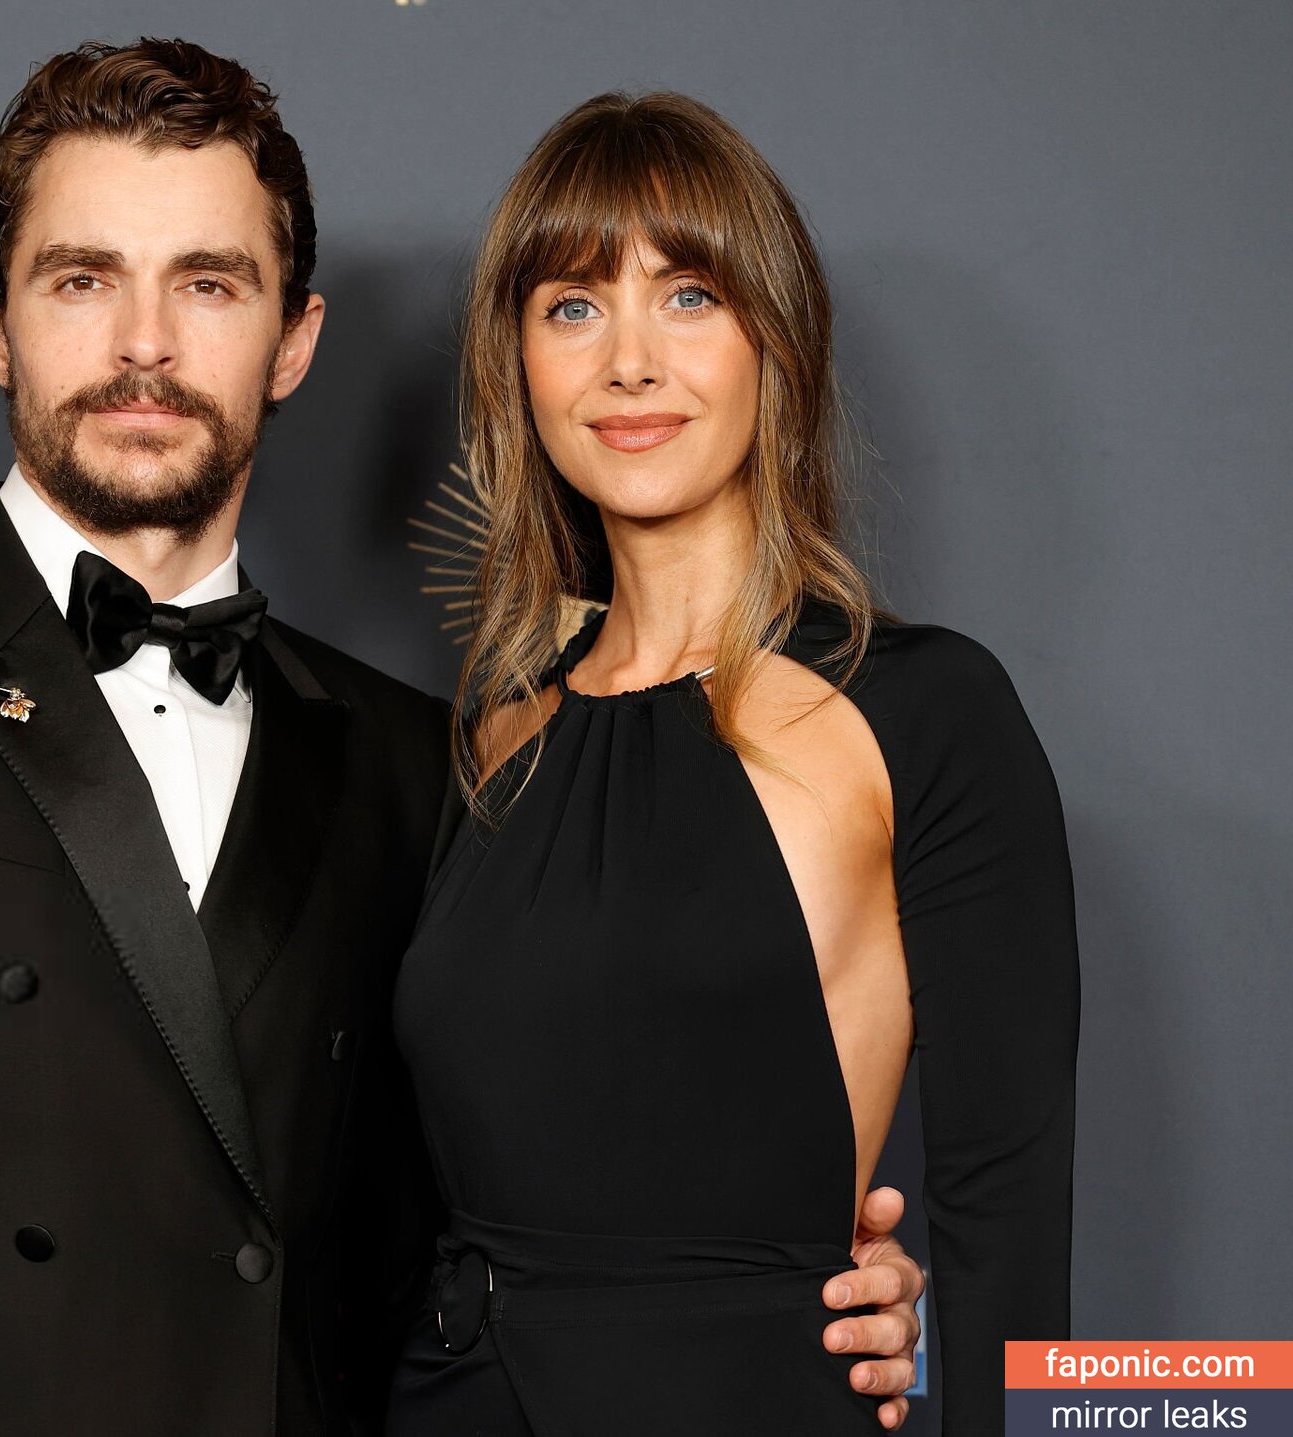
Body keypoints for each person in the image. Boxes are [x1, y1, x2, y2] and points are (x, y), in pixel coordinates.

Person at [0, 42, 927, 1437]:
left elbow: (495, 1218)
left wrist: (796, 1289)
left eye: (208, 284)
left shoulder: (415, 759)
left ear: (294, 340)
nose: (145, 345)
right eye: (82, 280)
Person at [387, 89, 1081, 1435]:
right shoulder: (491, 736)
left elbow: (1008, 1219)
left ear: (779, 337)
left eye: (690, 297)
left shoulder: (923, 712)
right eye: (572, 307)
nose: (629, 363)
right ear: (517, 365)